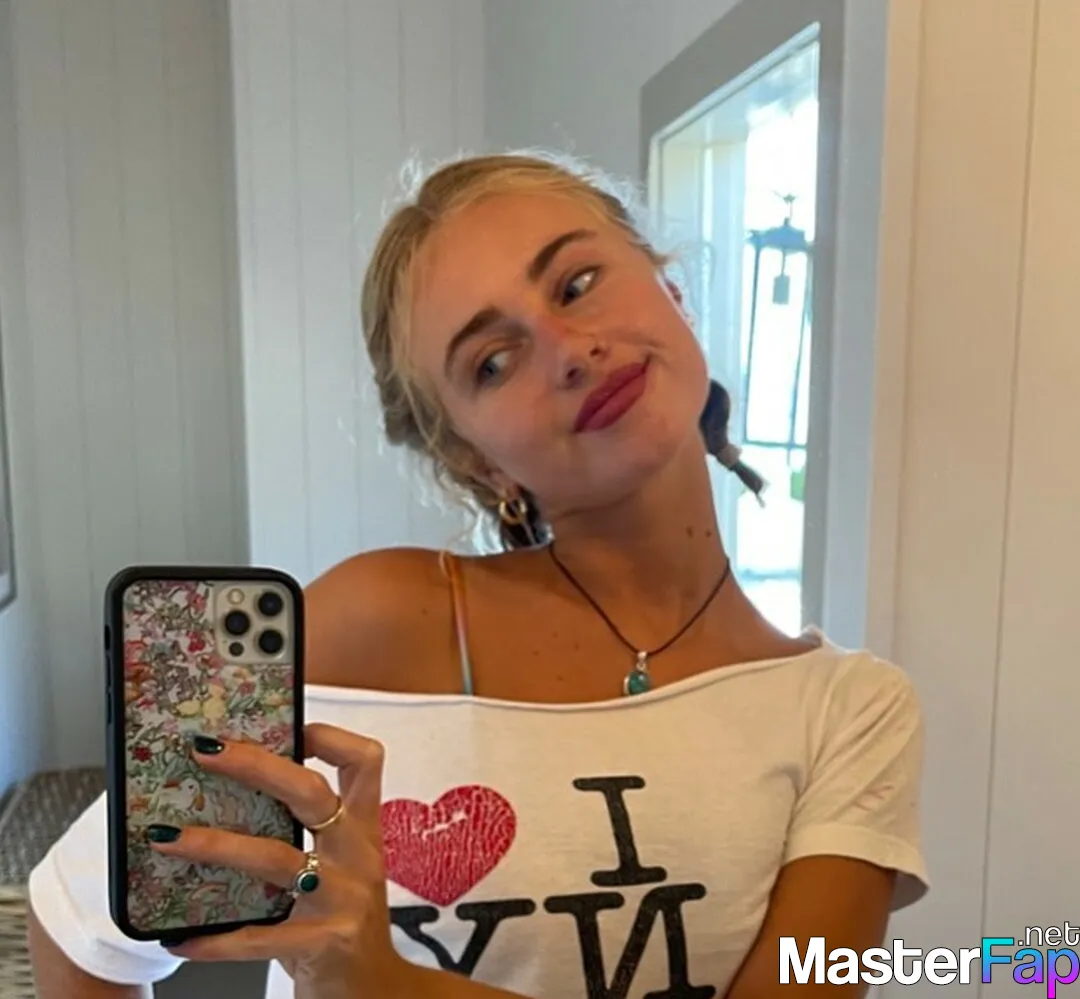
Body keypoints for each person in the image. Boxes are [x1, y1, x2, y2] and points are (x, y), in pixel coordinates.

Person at [27, 149, 929, 999]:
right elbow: (76, 925)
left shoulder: (851, 712)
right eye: (493, 362)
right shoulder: (374, 624)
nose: (568, 349)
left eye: (577, 283)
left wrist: (382, 982)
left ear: (674, 292)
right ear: (475, 460)